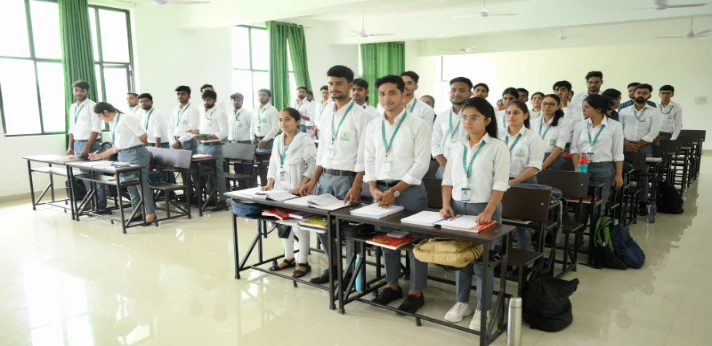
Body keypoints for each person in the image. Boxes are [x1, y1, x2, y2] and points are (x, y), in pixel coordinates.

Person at [440, 97, 509, 330]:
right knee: (461, 259)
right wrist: (445, 204)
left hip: (484, 209)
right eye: (465, 117)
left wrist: (489, 211)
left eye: (474, 117)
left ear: (488, 120)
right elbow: (448, 178)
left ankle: (483, 308)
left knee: (483, 263)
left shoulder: (497, 147)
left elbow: (500, 183)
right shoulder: (456, 145)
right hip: (458, 208)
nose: (468, 122)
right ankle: (462, 303)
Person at [364, 74, 431, 314]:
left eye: (392, 92)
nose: (387, 98)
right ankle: (392, 285)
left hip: (409, 190)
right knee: (387, 241)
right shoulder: (373, 125)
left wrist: (395, 190)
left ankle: (416, 291)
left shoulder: (418, 125)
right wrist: (372, 187)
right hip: (381, 190)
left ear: (404, 94)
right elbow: (369, 158)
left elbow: (422, 163)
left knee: (416, 242)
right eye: (382, 94)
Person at [298, 65, 370, 284]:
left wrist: (357, 185)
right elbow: (322, 150)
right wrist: (312, 180)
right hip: (325, 177)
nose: (334, 88)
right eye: (330, 83)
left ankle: (350, 272)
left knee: (348, 229)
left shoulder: (361, 116)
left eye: (339, 83)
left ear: (350, 86)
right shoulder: (327, 112)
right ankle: (335, 267)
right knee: (323, 225)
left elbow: (365, 154)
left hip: (348, 178)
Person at [262, 108, 317, 278]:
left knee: (300, 227)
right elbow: (273, 162)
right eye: (280, 120)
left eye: (287, 119)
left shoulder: (304, 139)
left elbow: (312, 164)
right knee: (283, 224)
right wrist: (269, 182)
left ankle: (303, 262)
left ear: (297, 122)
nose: (283, 123)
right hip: (280, 189)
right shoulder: (278, 139)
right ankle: (288, 257)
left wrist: (302, 185)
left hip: (299, 190)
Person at [89, 102, 156, 223]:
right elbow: (116, 146)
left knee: (141, 184)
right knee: (130, 184)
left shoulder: (126, 118)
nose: (100, 119)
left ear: (106, 112)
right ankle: (137, 211)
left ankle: (150, 212)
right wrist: (99, 155)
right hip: (123, 155)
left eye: (100, 116)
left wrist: (136, 145)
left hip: (136, 154)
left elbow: (144, 136)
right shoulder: (113, 123)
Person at [499, 101, 545, 251]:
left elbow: (534, 166)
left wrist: (514, 182)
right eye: (508, 112)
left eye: (516, 112)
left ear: (525, 115)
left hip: (524, 182)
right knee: (499, 221)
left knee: (522, 226)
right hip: (499, 181)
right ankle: (500, 256)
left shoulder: (533, 138)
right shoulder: (498, 135)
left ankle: (524, 263)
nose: (511, 116)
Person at [571, 94, 624, 213]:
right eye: (583, 107)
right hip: (582, 167)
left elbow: (618, 153)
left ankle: (596, 230)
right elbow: (574, 149)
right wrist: (576, 169)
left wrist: (618, 175)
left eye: (587, 107)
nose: (583, 109)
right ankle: (581, 229)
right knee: (581, 204)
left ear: (598, 109)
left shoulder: (615, 126)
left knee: (599, 205)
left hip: (603, 168)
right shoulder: (580, 126)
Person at [67, 80, 109, 214]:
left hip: (91, 143)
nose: (79, 93)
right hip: (78, 143)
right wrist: (70, 147)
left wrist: (87, 147)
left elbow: (97, 128)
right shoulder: (73, 107)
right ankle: (92, 202)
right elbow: (72, 128)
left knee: (96, 175)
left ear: (87, 92)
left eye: (82, 90)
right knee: (85, 175)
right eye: (76, 90)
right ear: (73, 91)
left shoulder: (92, 106)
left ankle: (101, 205)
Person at [619, 83, 661, 215]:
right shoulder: (624, 111)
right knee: (622, 173)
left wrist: (638, 145)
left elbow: (654, 131)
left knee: (643, 176)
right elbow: (618, 130)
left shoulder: (654, 111)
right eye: (639, 93)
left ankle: (642, 203)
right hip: (624, 147)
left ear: (649, 95)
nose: (641, 95)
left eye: (644, 93)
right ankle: (621, 200)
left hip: (644, 147)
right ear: (634, 94)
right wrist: (627, 143)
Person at [191, 89, 229, 209]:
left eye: (209, 99)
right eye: (204, 99)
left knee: (218, 174)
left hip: (214, 146)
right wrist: (195, 133)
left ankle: (222, 200)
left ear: (214, 100)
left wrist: (207, 138)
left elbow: (223, 132)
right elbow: (201, 128)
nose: (206, 102)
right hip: (201, 146)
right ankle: (211, 198)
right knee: (205, 173)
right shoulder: (201, 112)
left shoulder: (220, 113)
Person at [432, 77, 472, 179]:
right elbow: (434, 143)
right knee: (442, 195)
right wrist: (445, 165)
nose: (457, 93)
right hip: (444, 167)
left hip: (470, 168)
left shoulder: (476, 116)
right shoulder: (442, 116)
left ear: (470, 94)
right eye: (453, 90)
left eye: (462, 90)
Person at [532, 94, 573, 171]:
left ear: (558, 106)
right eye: (544, 103)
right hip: (534, 158)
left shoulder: (564, 123)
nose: (547, 106)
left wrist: (543, 165)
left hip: (554, 158)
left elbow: (559, 147)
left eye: (552, 104)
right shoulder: (533, 122)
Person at [169, 85, 200, 154]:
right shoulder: (175, 110)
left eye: (183, 94)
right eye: (178, 94)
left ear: (189, 96)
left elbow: (192, 130)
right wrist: (173, 141)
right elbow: (170, 128)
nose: (180, 96)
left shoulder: (193, 110)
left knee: (190, 164)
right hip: (174, 141)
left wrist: (179, 141)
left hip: (187, 142)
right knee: (175, 164)